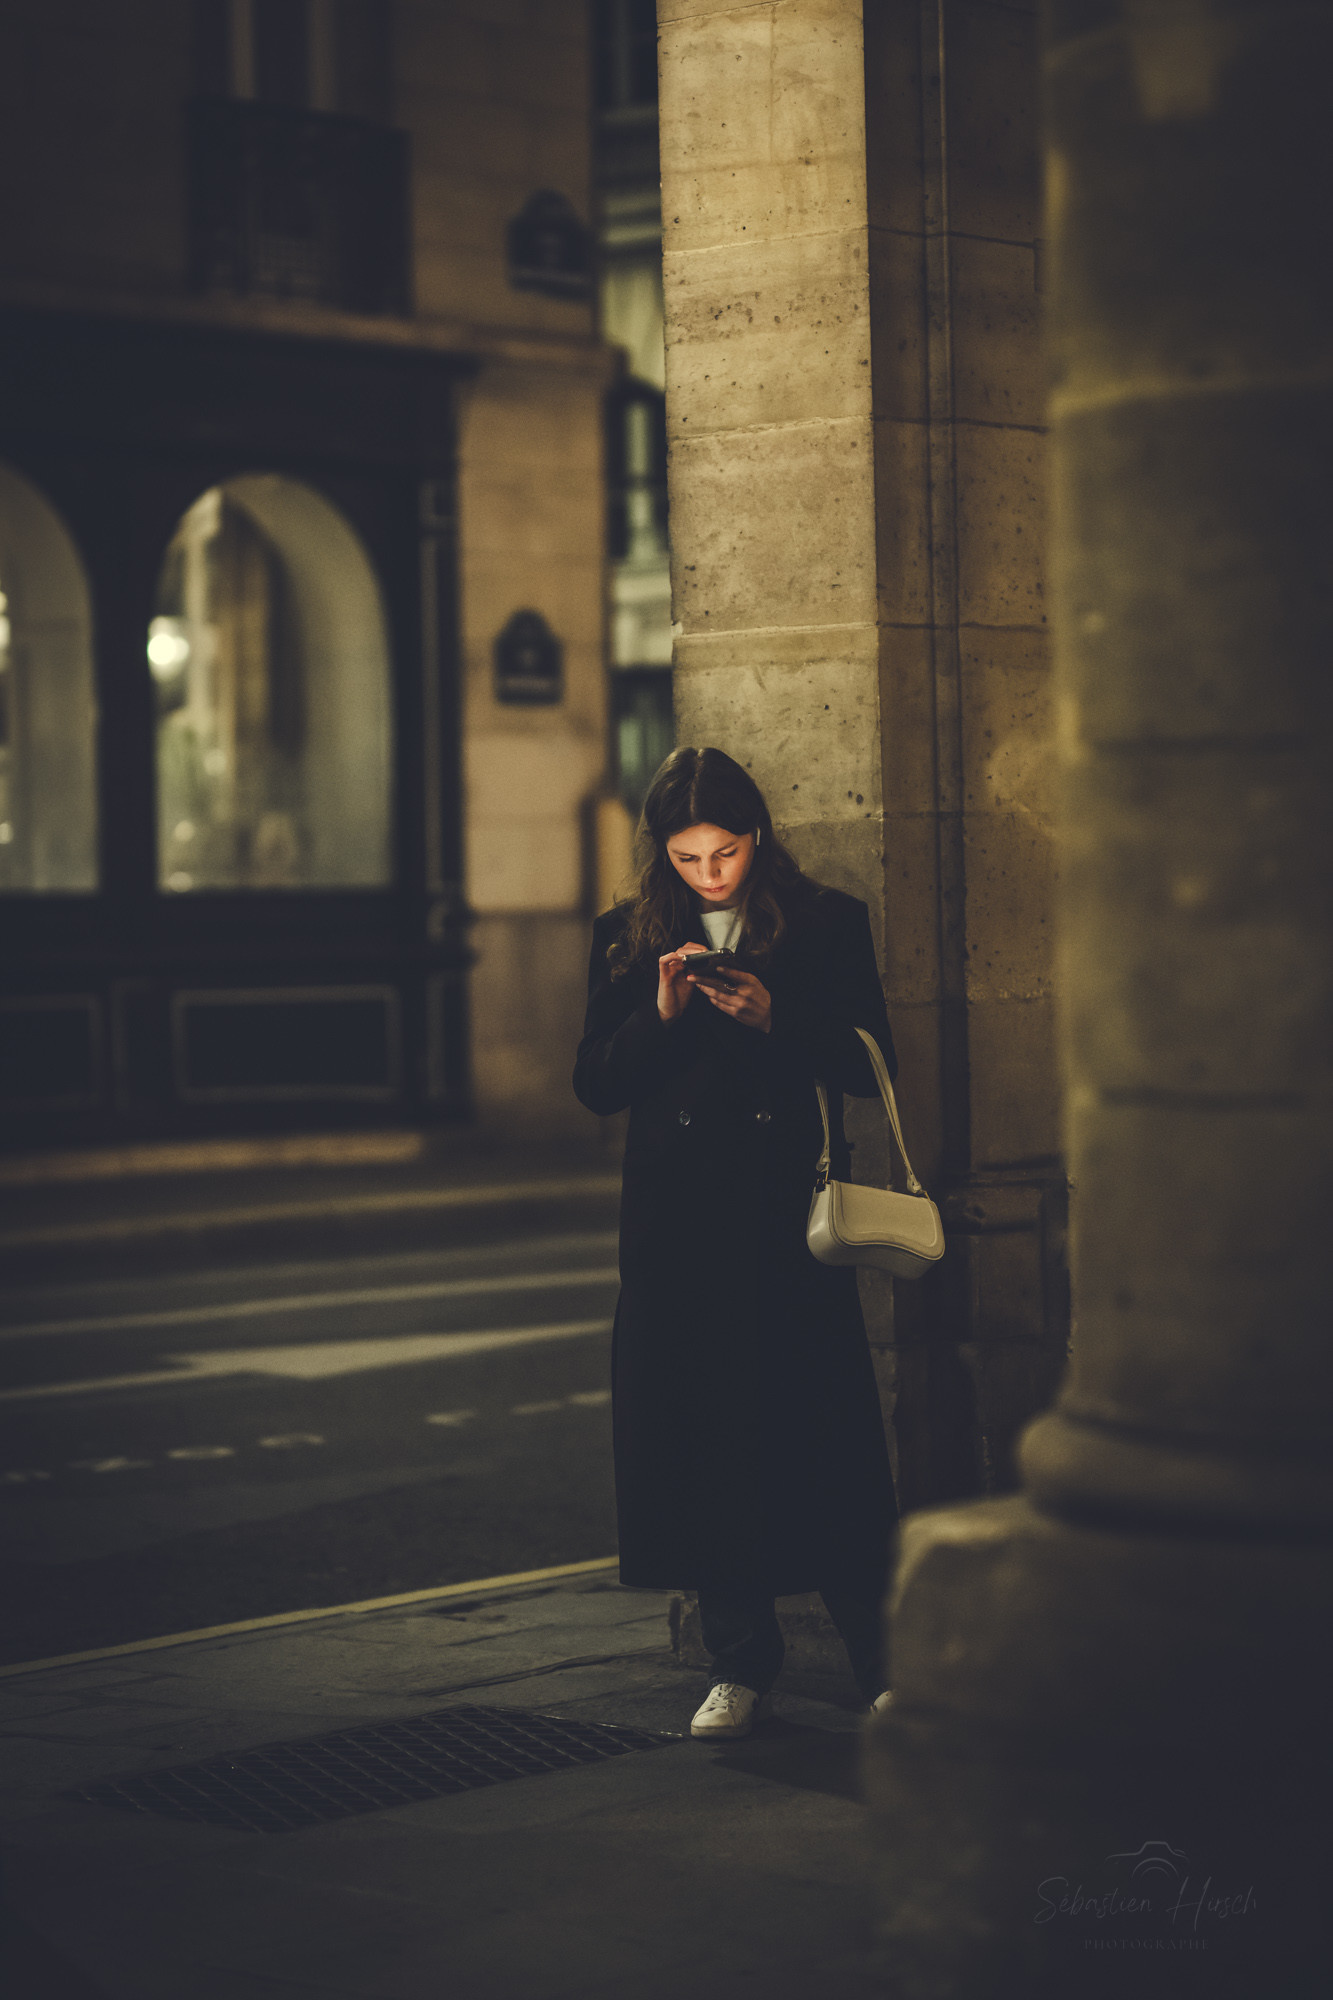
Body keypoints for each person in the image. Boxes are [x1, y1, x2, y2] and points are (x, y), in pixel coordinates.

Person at [573, 746, 899, 1740]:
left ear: (757, 837)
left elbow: (865, 1058)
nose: (709, 873)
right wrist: (663, 1015)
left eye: (724, 851)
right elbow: (594, 1081)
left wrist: (776, 1016)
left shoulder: (827, 921)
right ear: (661, 854)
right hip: (676, 1227)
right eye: (686, 857)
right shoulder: (626, 940)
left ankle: (882, 1661)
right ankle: (739, 1657)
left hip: (778, 1220)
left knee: (823, 1435)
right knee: (704, 1440)